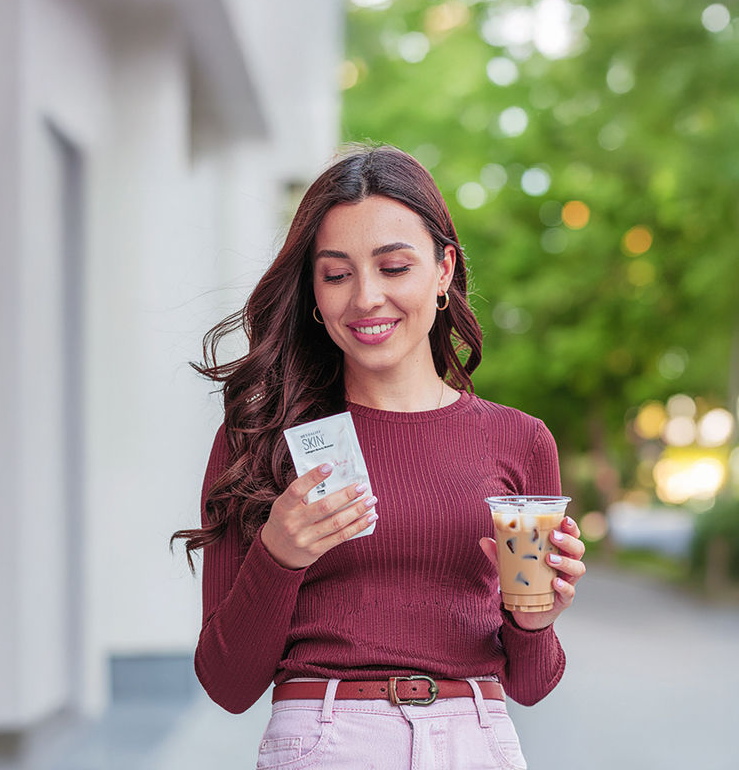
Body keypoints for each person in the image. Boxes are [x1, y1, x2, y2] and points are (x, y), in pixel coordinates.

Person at [171, 144, 586, 770]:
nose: (366, 297)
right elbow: (228, 686)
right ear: (313, 289)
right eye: (336, 274)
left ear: (444, 270)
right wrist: (279, 555)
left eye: (394, 267)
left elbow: (530, 685)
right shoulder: (261, 435)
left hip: (475, 739)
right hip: (324, 741)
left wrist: (535, 618)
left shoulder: (520, 441)